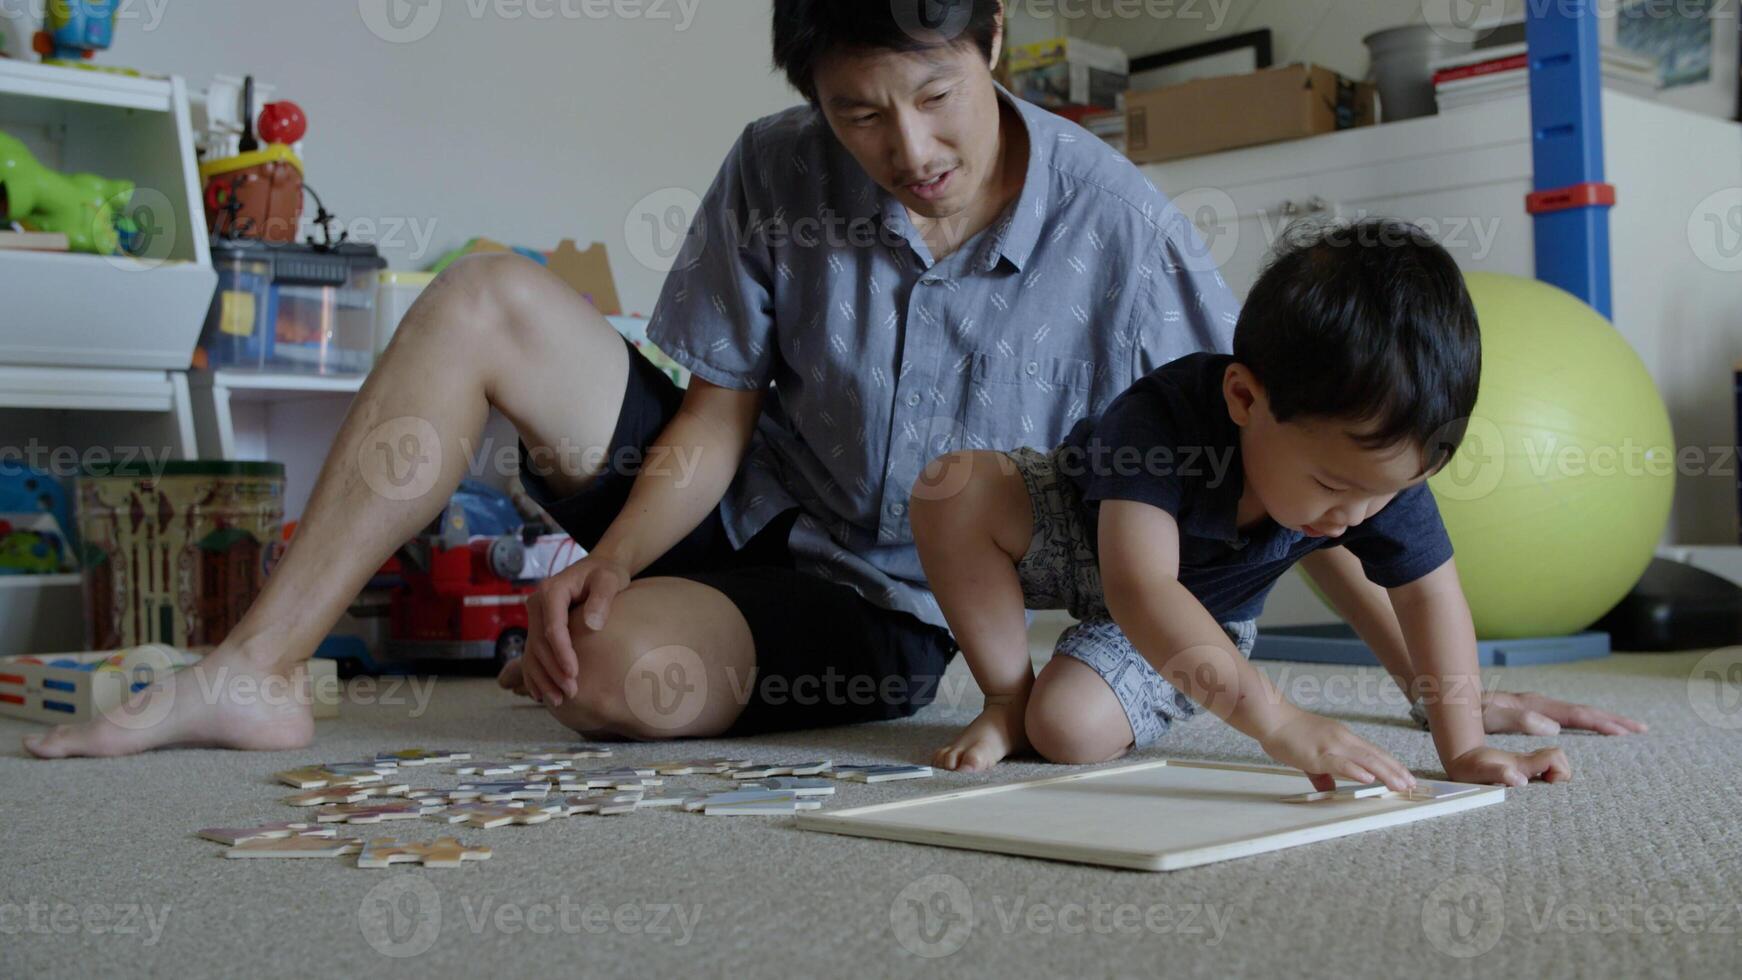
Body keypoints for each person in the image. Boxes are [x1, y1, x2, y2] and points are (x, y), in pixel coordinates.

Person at [24, 4, 1640, 760]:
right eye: (859, 115)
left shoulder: (1127, 233)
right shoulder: (777, 168)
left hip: (883, 604)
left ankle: (622, 646)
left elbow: (1304, 483)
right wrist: (615, 552)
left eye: (930, 101)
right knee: (485, 296)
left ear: (991, 41)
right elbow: (715, 408)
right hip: (743, 494)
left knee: (622, 693)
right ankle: (259, 666)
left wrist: (1442, 682)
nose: (904, 155)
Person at [911, 219, 1626, 784]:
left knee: (1066, 730)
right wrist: (1277, 721)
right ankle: (1004, 697)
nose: (1355, 516)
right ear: (1246, 398)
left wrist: (1462, 743)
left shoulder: (1374, 477)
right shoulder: (1161, 421)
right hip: (1091, 534)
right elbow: (1139, 584)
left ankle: (1036, 713)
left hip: (1201, 614)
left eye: (1388, 493)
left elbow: (1431, 597)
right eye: (1334, 487)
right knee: (955, 488)